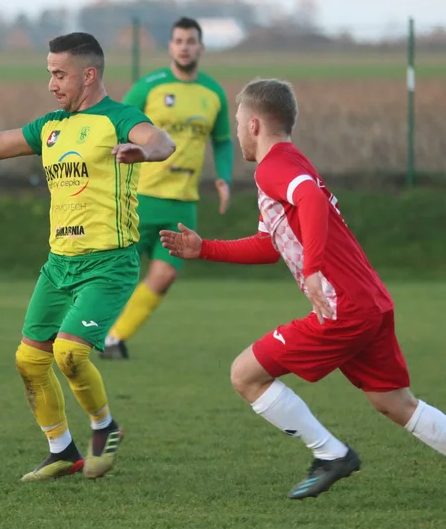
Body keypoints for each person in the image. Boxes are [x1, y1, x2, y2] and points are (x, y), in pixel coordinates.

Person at [159, 77, 446, 499]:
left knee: (245, 375)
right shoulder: (287, 165)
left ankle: (331, 454)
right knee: (395, 404)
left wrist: (312, 270)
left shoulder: (276, 167)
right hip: (369, 302)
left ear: (254, 124)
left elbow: (309, 199)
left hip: (342, 307)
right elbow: (267, 245)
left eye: (239, 121)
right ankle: (332, 454)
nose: (237, 130)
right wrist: (205, 249)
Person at [0, 32, 176, 482]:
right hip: (59, 265)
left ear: (89, 74)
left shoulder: (119, 118)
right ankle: (62, 451)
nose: (52, 84)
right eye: (49, 74)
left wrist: (144, 152)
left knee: (70, 354)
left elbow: (162, 141)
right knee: (29, 360)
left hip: (108, 264)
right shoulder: (51, 126)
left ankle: (104, 427)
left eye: (60, 75)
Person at [102, 17, 234, 360]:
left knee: (164, 276)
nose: (185, 46)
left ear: (201, 47)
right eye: (179, 40)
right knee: (115, 274)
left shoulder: (213, 93)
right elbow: (117, 123)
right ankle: (81, 331)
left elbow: (222, 142)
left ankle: (114, 339)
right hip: (139, 198)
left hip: (181, 204)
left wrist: (223, 177)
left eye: (191, 40)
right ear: (170, 47)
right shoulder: (149, 86)